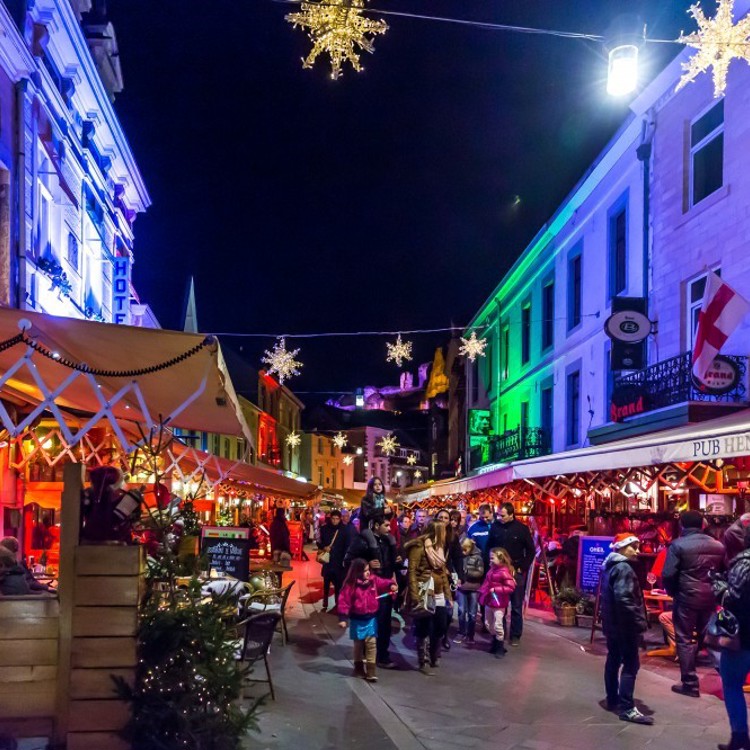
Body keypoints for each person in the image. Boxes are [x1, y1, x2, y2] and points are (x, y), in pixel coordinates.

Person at [662, 509, 725, 698]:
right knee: (712, 639)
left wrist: (674, 592)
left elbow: (668, 574)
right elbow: (723, 573)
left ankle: (690, 684)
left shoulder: (678, 545)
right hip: (710, 599)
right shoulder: (718, 546)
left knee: (684, 639)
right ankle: (730, 679)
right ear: (703, 524)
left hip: (686, 598)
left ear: (682, 524)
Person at [600, 533, 653, 725]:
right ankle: (627, 707)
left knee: (613, 660)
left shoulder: (610, 565)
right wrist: (637, 624)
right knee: (631, 665)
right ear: (622, 547)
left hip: (612, 624)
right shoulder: (623, 568)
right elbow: (624, 600)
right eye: (634, 546)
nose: (637, 551)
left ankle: (612, 698)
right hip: (624, 626)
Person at [345, 512, 400, 668]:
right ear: (376, 526)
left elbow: (389, 565)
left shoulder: (388, 542)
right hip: (368, 590)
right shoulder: (362, 541)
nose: (390, 528)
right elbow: (348, 560)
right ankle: (366, 655)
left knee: (384, 624)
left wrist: (397, 564)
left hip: (385, 588)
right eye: (386, 525)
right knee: (368, 622)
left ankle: (382, 655)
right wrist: (367, 564)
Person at [714, 526, 750, 750]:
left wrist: (718, 584)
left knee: (732, 684)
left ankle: (740, 737)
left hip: (744, 635)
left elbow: (733, 599)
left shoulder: (743, 563)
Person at [404, 521, 453, 675]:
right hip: (424, 591)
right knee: (423, 626)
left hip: (438, 592)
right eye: (443, 531)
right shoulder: (419, 547)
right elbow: (411, 571)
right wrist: (414, 595)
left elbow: (442, 572)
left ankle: (434, 654)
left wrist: (448, 595)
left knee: (441, 625)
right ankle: (423, 660)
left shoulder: (439, 548)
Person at [337, 558, 397, 683]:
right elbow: (344, 601)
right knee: (358, 645)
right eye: (365, 571)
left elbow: (382, 582)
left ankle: (371, 671)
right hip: (357, 619)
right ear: (357, 572)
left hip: (371, 619)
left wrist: (390, 584)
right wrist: (343, 617)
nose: (368, 573)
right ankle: (358, 668)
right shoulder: (350, 585)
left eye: (368, 570)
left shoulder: (373, 581)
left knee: (371, 644)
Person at [485, 503, 536, 646]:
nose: (500, 518)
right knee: (499, 604)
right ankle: (499, 633)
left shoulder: (521, 529)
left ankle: (515, 635)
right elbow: (489, 546)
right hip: (498, 572)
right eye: (499, 515)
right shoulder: (495, 527)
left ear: (511, 514)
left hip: (515, 570)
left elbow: (531, 551)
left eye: (503, 515)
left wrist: (522, 567)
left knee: (516, 604)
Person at [478, 547, 516, 658]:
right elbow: (486, 583)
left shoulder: (504, 572)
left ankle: (499, 645)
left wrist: (496, 589)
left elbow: (511, 587)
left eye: (492, 558)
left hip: (499, 603)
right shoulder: (492, 570)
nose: (490, 560)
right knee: (488, 623)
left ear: (500, 559)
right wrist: (482, 593)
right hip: (489, 600)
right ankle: (495, 641)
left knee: (498, 624)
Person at [435, 508, 462, 650]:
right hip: (432, 575)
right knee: (431, 608)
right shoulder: (429, 534)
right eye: (441, 517)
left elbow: (458, 557)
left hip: (447, 576)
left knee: (448, 609)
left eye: (446, 518)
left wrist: (460, 576)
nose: (444, 520)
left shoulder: (453, 536)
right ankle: (428, 636)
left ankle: (443, 635)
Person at [318, 510, 352, 612]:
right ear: (330, 518)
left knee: (338, 583)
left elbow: (347, 545)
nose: (335, 521)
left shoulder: (344, 530)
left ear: (340, 519)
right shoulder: (324, 529)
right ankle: (325, 601)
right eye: (333, 518)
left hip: (338, 560)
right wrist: (324, 547)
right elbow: (319, 542)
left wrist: (345, 559)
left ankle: (338, 603)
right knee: (326, 581)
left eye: (337, 519)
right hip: (328, 559)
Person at [454, 537, 484, 645]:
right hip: (462, 587)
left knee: (472, 613)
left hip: (474, 588)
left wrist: (466, 572)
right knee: (461, 611)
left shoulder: (478, 557)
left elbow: (480, 573)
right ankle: (461, 632)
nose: (463, 552)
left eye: (465, 550)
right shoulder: (460, 557)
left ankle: (470, 634)